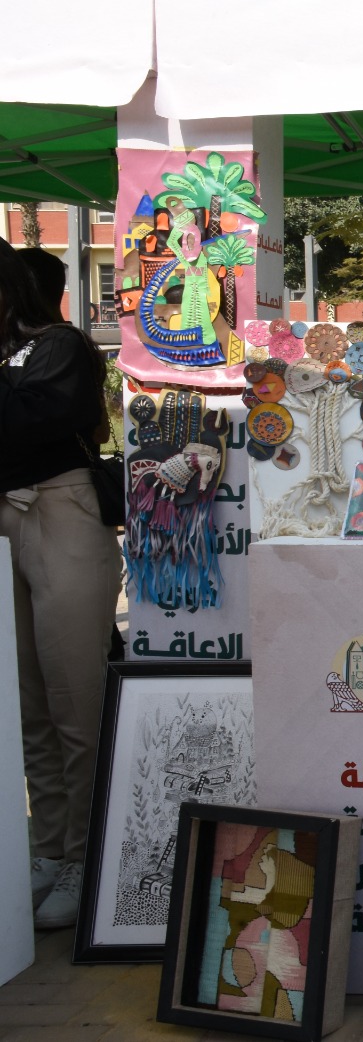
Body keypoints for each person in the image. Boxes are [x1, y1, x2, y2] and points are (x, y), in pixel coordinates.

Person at [0, 241, 121, 928]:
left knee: (76, 698)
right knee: (28, 706)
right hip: (6, 520)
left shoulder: (58, 346)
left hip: (60, 510)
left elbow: (31, 421)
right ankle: (47, 849)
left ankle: (84, 857)